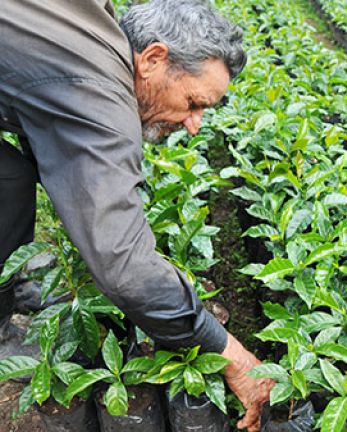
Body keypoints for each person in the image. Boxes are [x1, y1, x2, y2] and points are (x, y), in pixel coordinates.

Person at [0, 0, 273, 430]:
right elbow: (123, 264)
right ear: (153, 59)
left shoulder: (95, 31)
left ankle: (5, 291)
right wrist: (229, 354)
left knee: (9, 180)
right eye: (193, 102)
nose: (194, 123)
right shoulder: (99, 99)